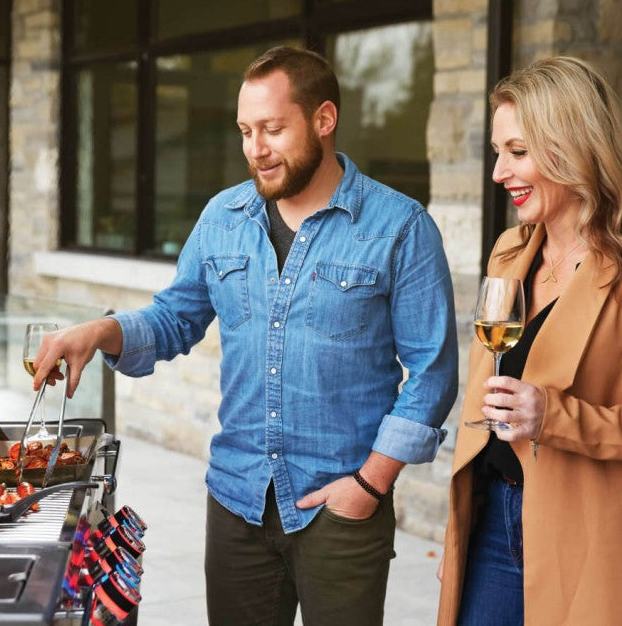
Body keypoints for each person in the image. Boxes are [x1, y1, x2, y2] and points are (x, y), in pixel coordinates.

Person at [32, 45, 459, 626]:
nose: (256, 149)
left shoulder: (400, 227)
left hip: (340, 509)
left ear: (324, 120)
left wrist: (369, 483)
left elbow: (433, 373)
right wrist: (101, 331)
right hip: (236, 502)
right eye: (245, 131)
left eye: (273, 129)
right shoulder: (222, 217)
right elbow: (174, 318)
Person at [435, 56, 622, 625]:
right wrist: (460, 535)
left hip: (599, 540)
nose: (498, 172)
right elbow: (483, 402)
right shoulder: (509, 253)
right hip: (494, 525)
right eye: (498, 152)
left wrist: (557, 417)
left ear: (574, 147)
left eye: (517, 152)